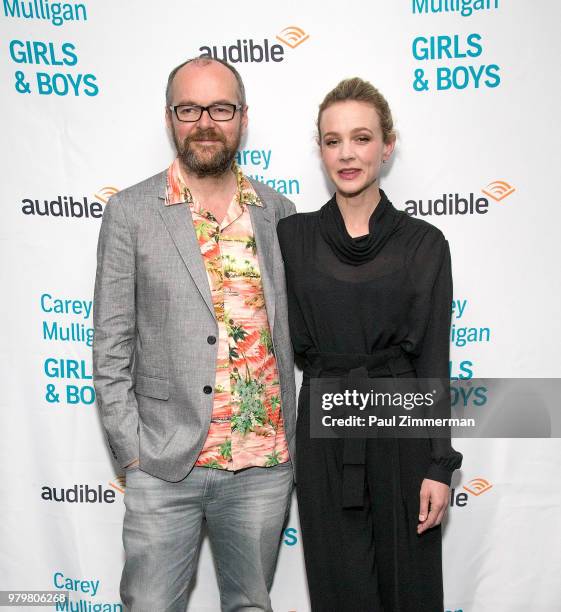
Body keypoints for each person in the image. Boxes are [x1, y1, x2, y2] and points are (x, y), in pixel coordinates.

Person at [93, 57, 297, 612]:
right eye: (189, 108)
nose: (205, 121)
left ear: (243, 118)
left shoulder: (280, 213)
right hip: (163, 462)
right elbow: (109, 345)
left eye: (221, 108)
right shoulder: (130, 212)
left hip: (264, 464)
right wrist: (132, 453)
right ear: (170, 118)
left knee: (250, 605)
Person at [277, 77, 463, 611]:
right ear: (320, 151)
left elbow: (433, 360)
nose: (347, 153)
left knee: (410, 587)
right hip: (325, 428)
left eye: (361, 138)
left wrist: (438, 465)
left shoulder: (425, 243)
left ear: (387, 144)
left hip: (403, 426)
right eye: (333, 141)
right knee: (339, 586)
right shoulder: (293, 238)